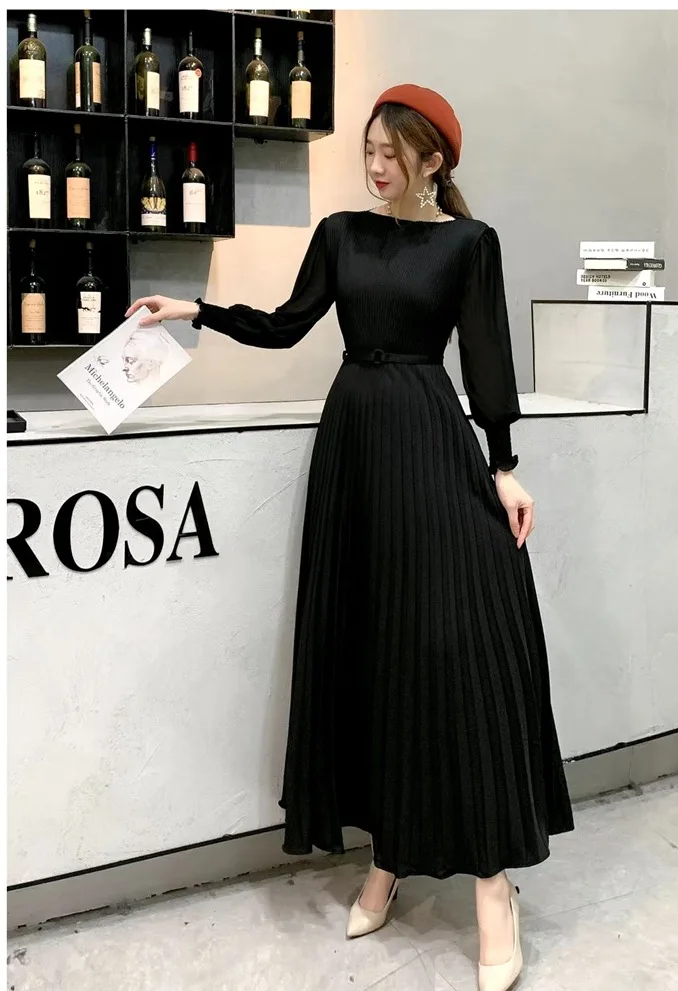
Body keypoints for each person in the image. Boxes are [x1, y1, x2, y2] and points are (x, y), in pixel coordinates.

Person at [125, 83, 575, 991]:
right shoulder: (340, 234)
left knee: (454, 647)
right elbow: (288, 323)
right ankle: (388, 855)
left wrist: (504, 464)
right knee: (369, 649)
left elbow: (487, 354)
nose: (374, 166)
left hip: (429, 439)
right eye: (368, 149)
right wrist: (196, 312)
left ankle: (494, 884)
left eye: (390, 154)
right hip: (355, 449)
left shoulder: (468, 243)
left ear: (433, 162)